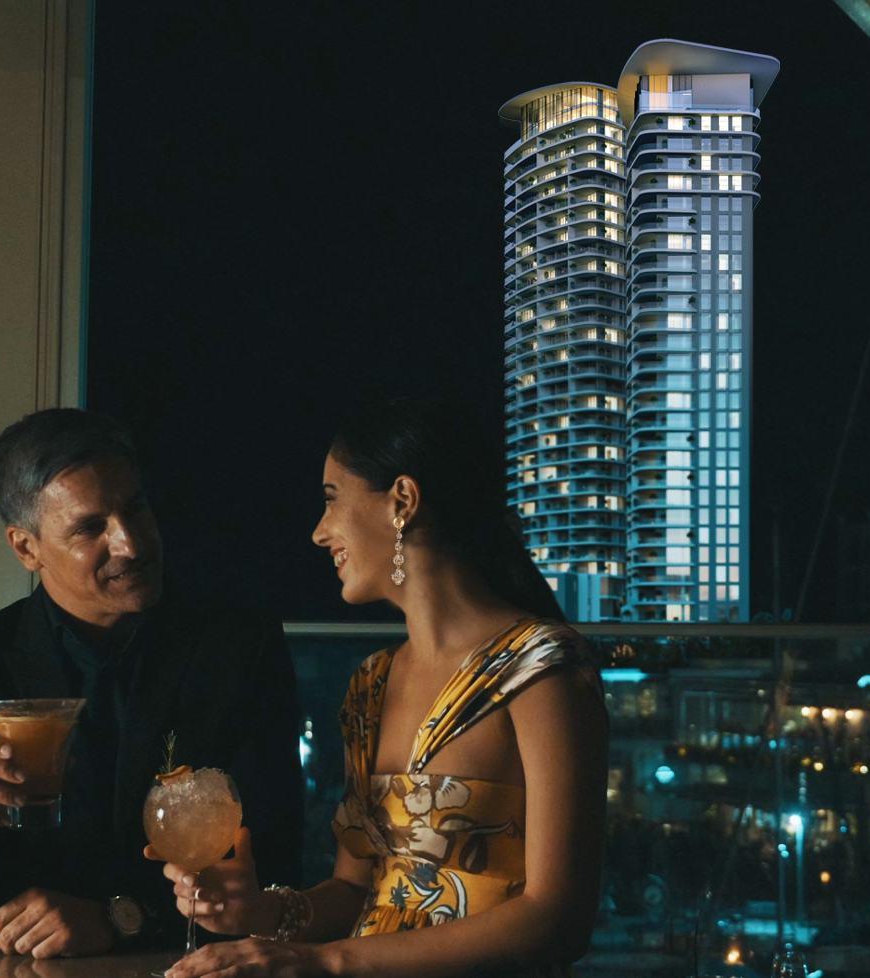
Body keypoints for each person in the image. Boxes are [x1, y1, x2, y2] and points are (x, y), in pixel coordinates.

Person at [156, 397, 608, 978]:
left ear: (402, 501)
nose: (319, 532)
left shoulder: (541, 669)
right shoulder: (371, 684)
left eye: (331, 500)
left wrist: (325, 962)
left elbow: (558, 919)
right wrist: (257, 911)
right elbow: (356, 891)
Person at [0, 409, 304, 957]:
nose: (131, 544)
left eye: (136, 508)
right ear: (26, 548)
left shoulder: (238, 649)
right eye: (90, 528)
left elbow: (278, 867)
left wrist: (122, 920)